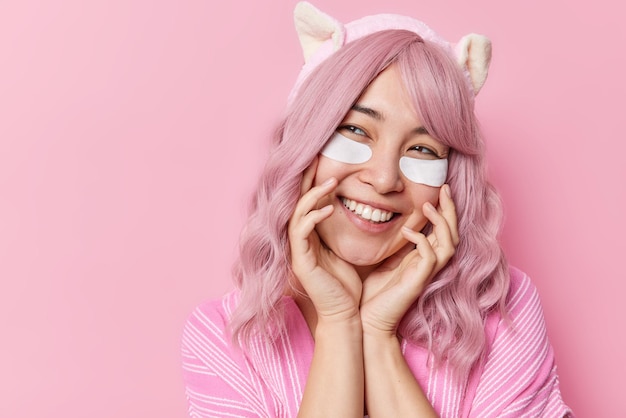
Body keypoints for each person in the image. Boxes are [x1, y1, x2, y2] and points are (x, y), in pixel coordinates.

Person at [181, 2, 573, 417]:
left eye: (422, 149)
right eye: (354, 130)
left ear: (449, 181)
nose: (385, 179)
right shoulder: (224, 336)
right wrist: (338, 325)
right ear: (305, 144)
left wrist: (377, 335)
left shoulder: (504, 311)